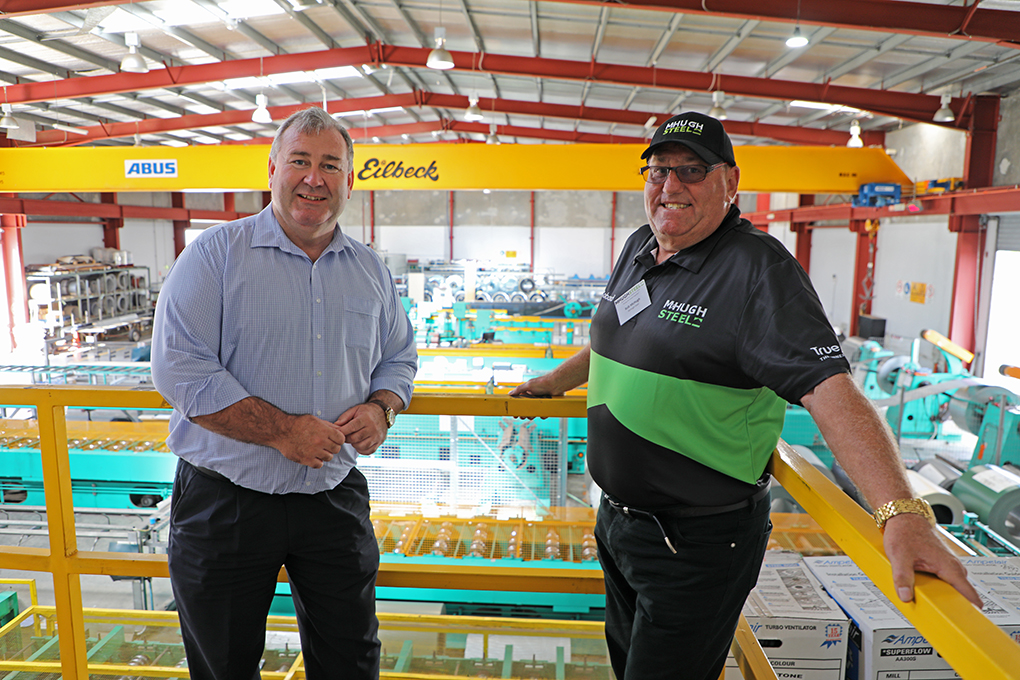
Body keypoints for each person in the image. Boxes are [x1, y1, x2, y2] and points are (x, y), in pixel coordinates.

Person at [509, 111, 982, 680]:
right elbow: (625, 334)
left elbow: (831, 391)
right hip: (618, 523)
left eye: (692, 170)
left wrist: (901, 513)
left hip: (693, 540)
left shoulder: (758, 272)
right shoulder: (641, 244)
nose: (670, 186)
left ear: (731, 182)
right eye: (658, 171)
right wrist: (556, 381)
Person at [151, 106, 417, 680]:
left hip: (332, 494)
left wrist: (382, 407)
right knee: (224, 664)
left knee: (350, 660)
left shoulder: (371, 270)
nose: (314, 178)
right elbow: (180, 369)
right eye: (300, 161)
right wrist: (284, 433)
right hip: (227, 500)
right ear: (272, 167)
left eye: (330, 165)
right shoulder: (214, 255)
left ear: (350, 179)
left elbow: (399, 357)